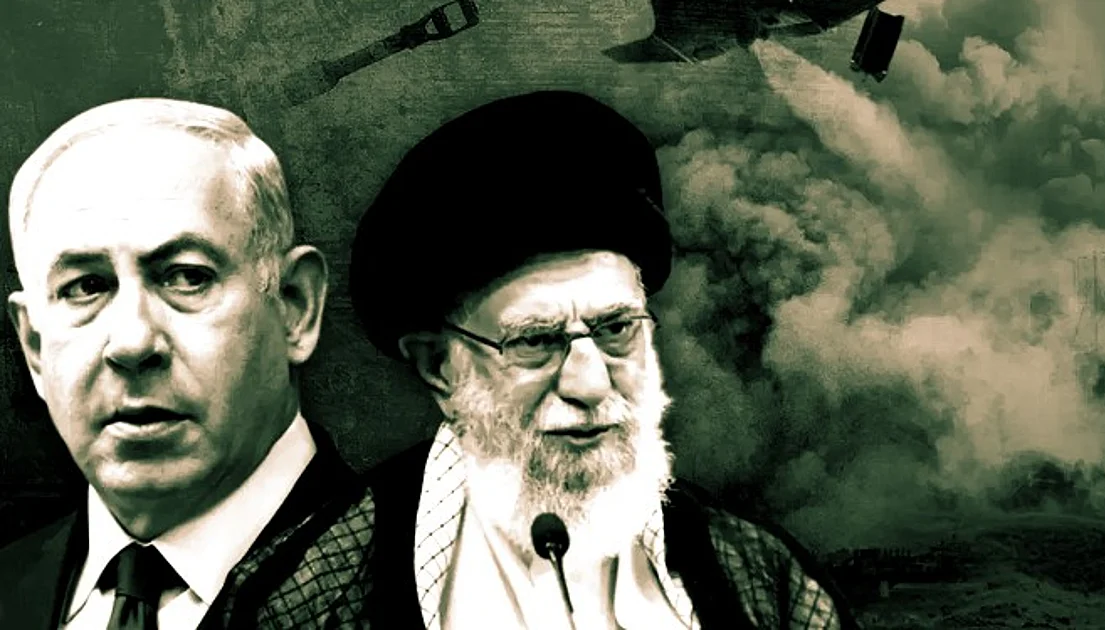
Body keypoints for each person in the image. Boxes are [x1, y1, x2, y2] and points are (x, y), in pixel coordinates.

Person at [351, 90, 860, 629]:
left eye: (616, 329)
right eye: (535, 341)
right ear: (439, 366)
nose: (590, 384)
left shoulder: (759, 574)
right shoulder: (329, 581)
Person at [0, 98, 375, 629]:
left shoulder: (434, 579)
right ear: (35, 347)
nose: (132, 343)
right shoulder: (9, 588)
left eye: (187, 277)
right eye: (86, 287)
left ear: (295, 307)